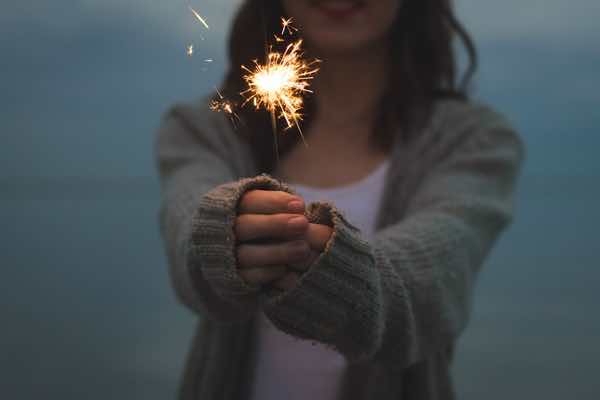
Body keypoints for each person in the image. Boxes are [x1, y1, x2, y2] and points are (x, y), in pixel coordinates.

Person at [154, 0, 526, 399]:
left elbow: (436, 278)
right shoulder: (207, 128)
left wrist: (341, 273)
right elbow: (188, 230)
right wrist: (221, 234)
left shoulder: (472, 141)